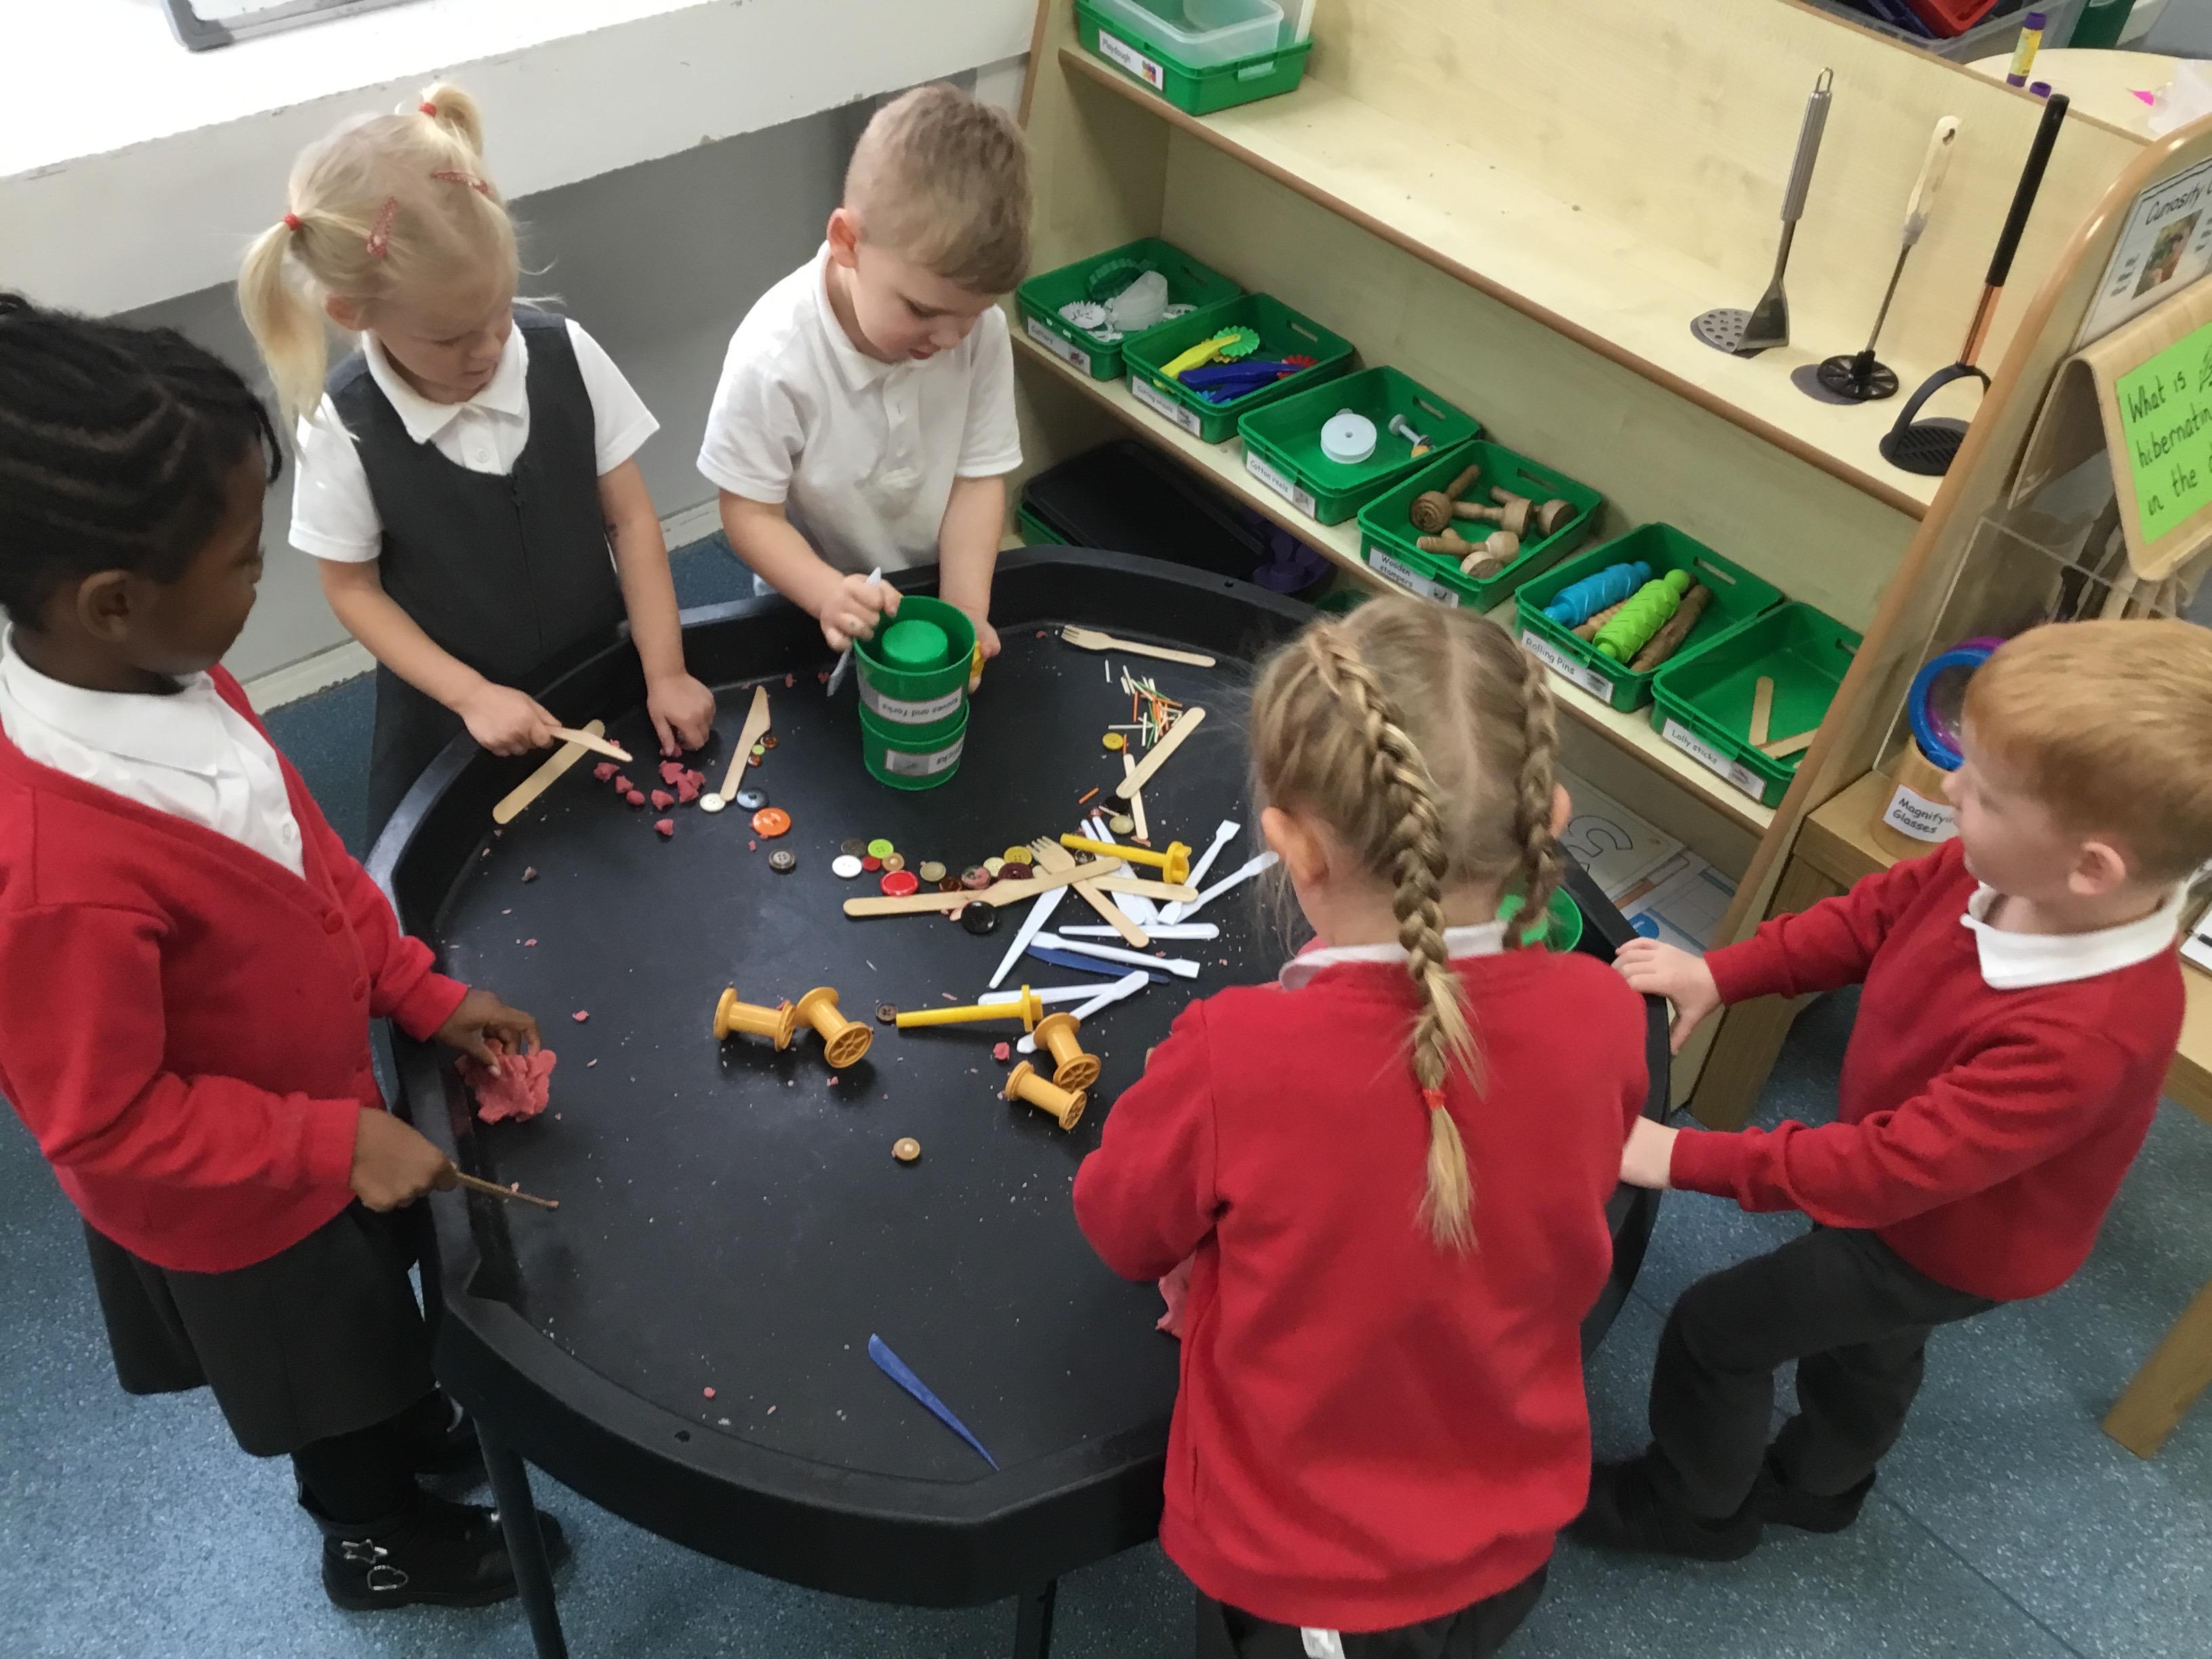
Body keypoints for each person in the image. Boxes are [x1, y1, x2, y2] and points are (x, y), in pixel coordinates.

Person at [0, 294, 567, 1609]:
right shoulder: (48, 877)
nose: (266, 586)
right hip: (234, 1209)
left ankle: (401, 1422)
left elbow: (301, 858)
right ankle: (376, 1540)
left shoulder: (171, 672)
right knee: (324, 1384)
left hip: (312, 1125)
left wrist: (414, 988)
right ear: (113, 600)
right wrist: (329, 1143)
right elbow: (103, 1123)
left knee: (374, 1333)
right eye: (245, 564)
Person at [1073, 602, 1652, 1658]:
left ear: (1293, 847)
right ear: (1551, 815)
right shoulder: (1607, 1010)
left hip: (1320, 1578)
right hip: (1507, 1519)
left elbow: (1121, 1229)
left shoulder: (1236, 1055)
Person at [1580, 619, 2212, 1561]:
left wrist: (1682, 1156)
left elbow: (1888, 1170)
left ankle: (1691, 1508)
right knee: (1869, 1350)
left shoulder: (2091, 1033)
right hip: (1901, 1186)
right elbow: (1870, 918)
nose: (1950, 790)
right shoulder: (2000, 869)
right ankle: (1825, 1485)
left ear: (2091, 867)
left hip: (1941, 1243)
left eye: (1985, 791)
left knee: (1721, 1330)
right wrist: (1723, 973)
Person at [239, 83, 715, 837]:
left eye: (498, 312)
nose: (489, 348)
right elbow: (353, 588)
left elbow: (629, 521)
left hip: (598, 670)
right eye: (450, 337)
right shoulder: (343, 426)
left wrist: (667, 670)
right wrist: (469, 695)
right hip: (451, 718)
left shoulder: (565, 354)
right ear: (353, 313)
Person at [697, 82, 1029, 660]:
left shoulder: (980, 334)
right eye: (922, 311)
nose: (950, 339)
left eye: (974, 313)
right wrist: (826, 592)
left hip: (930, 586)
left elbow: (976, 481)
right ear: (848, 242)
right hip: (809, 600)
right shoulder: (773, 357)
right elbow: (748, 512)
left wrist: (965, 611)